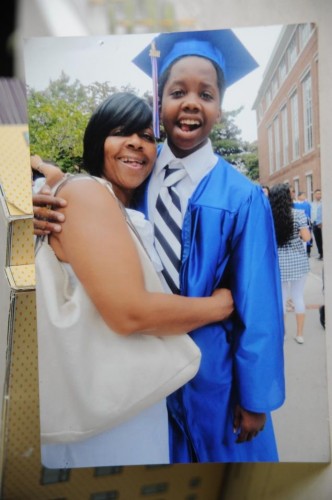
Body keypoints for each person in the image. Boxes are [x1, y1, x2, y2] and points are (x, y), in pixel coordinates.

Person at [33, 29, 285, 463]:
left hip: (215, 377)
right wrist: (37, 196)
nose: (190, 102)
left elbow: (260, 304)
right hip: (140, 372)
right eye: (177, 91)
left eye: (206, 94)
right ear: (159, 104)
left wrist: (257, 397)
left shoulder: (241, 197)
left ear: (220, 109)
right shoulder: (135, 177)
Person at [34, 92, 234, 468]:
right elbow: (130, 312)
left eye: (146, 135)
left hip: (124, 398)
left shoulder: (123, 205)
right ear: (97, 142)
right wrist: (221, 304)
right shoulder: (87, 194)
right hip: (106, 415)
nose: (136, 143)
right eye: (119, 131)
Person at [269, 184, 311, 345]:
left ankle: (283, 334)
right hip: (298, 262)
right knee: (298, 297)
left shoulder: (268, 216)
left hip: (277, 262)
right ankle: (300, 334)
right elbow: (306, 238)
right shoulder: (299, 214)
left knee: (281, 299)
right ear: (288, 197)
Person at [293, 191, 312, 257]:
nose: (304, 197)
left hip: (305, 222)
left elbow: (309, 213)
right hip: (296, 222)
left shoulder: (307, 204)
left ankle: (308, 251)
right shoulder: (295, 204)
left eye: (304, 195)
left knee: (306, 236)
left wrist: (309, 221)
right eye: (303, 195)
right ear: (299, 196)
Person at [311, 188, 323, 259]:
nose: (319, 195)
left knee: (323, 239)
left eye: (320, 193)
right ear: (315, 195)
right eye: (318, 193)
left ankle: (325, 253)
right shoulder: (312, 204)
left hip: (322, 224)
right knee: (317, 239)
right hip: (314, 224)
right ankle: (320, 253)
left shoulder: (323, 203)